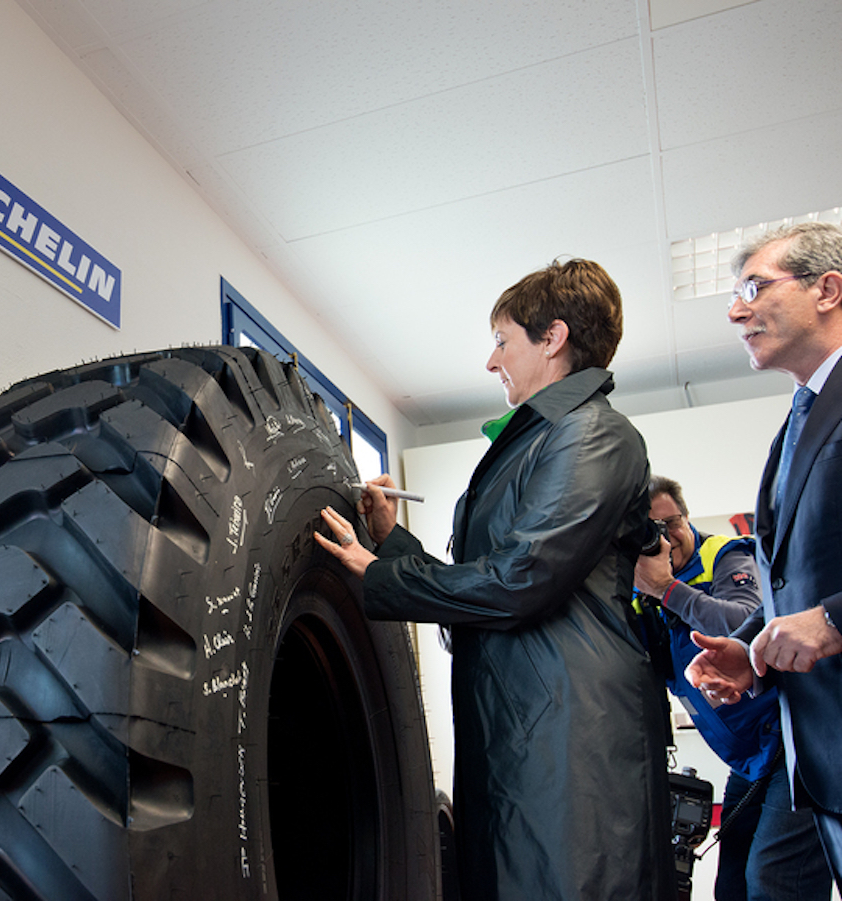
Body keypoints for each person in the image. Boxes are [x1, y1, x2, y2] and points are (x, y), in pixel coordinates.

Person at [317, 258, 675, 900]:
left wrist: (378, 574)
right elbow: (484, 582)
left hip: (572, 738)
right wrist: (390, 541)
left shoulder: (595, 435)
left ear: (553, 338)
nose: (491, 361)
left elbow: (518, 582)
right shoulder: (538, 439)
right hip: (519, 725)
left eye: (503, 340)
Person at [686, 222, 842, 889]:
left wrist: (834, 620)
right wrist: (749, 651)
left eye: (754, 287)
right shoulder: (800, 416)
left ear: (828, 288)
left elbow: (821, 606)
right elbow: (795, 576)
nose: (735, 310)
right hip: (816, 741)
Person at [634, 476, 830, 901]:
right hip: (747, 759)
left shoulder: (724, 555)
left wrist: (666, 590)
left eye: (672, 523)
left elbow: (741, 624)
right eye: (651, 530)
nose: (666, 538)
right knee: (733, 887)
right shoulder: (636, 588)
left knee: (774, 883)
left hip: (790, 743)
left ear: (686, 518)